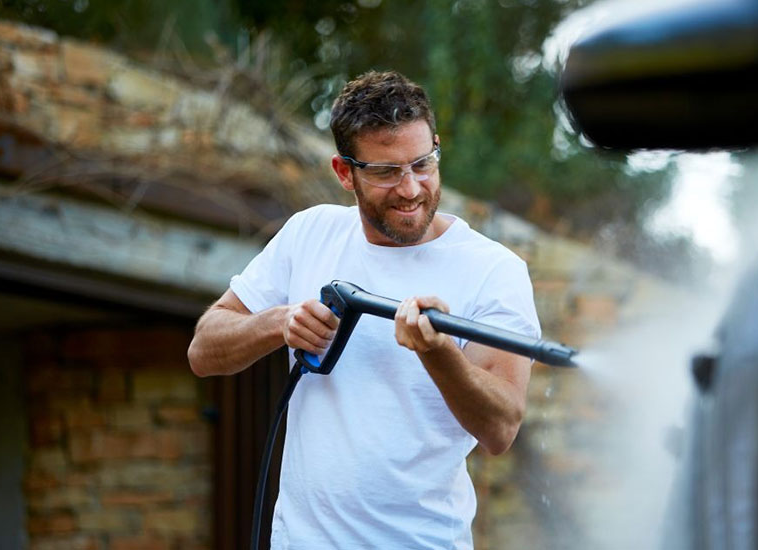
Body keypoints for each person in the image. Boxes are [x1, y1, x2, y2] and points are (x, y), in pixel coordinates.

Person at [188, 70, 541, 550]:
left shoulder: (493, 269)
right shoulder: (309, 233)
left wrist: (438, 353)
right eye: (385, 172)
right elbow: (203, 351)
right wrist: (279, 322)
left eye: (422, 164)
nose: (410, 188)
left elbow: (501, 429)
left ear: (436, 147)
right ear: (343, 172)